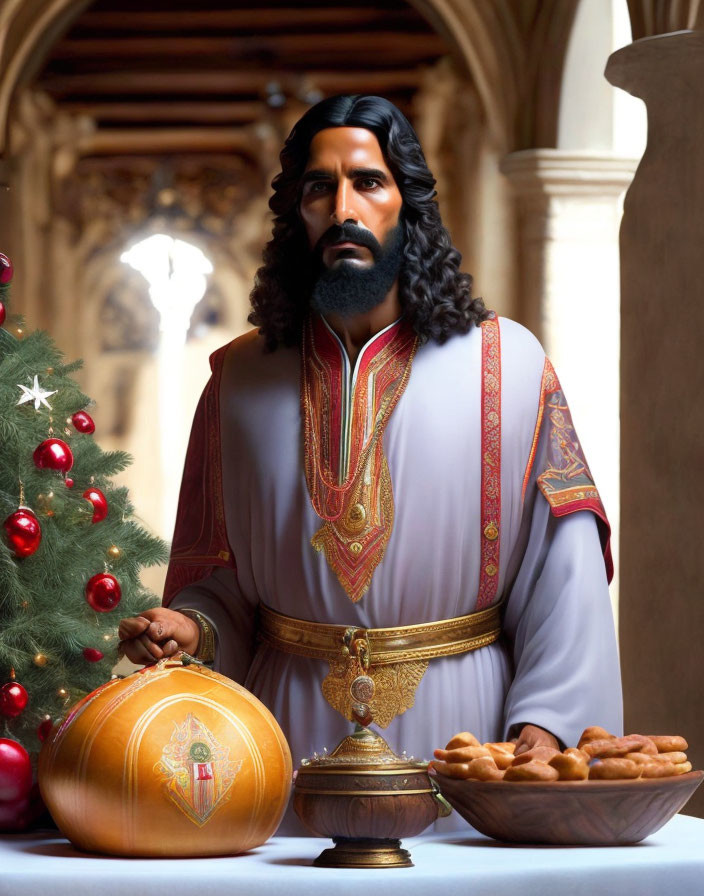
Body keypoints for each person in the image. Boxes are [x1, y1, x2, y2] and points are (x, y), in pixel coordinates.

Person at [118, 95, 622, 830]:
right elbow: (216, 582)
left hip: (467, 744)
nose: (343, 205)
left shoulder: (510, 366)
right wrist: (192, 632)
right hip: (283, 742)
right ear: (299, 214)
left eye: (368, 181)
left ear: (407, 205)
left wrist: (543, 734)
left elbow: (564, 575)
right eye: (320, 188)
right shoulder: (235, 381)